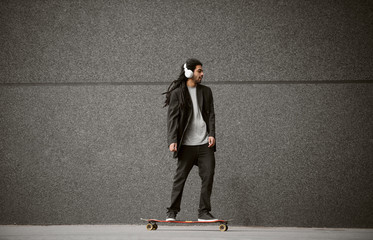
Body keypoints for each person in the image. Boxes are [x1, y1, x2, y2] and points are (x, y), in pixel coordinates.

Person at [163, 58, 218, 222]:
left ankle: (203, 212)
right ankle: (172, 212)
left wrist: (212, 133)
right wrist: (172, 139)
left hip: (204, 145)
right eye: (199, 71)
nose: (202, 73)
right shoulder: (177, 93)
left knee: (208, 176)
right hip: (186, 146)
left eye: (202, 71)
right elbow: (172, 118)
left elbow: (211, 115)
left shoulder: (206, 91)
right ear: (189, 72)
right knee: (180, 178)